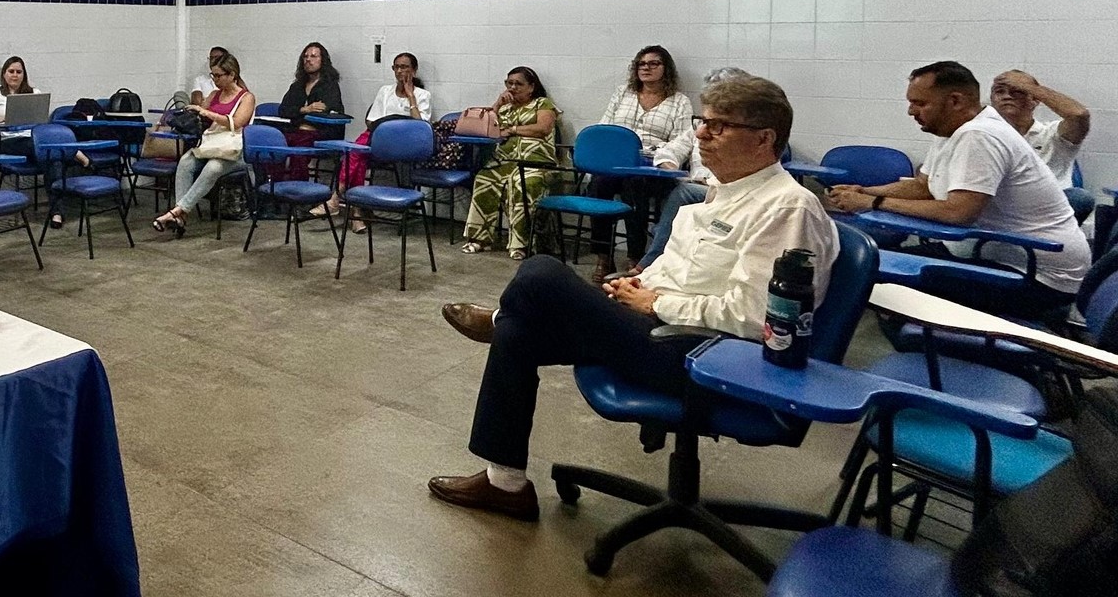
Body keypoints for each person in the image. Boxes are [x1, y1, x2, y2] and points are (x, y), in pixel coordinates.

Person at [428, 75, 839, 521]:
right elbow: (687, 272)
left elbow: (756, 318)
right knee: (519, 332)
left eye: (719, 126)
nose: (701, 134)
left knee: (540, 273)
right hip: (664, 332)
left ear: (764, 139)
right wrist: (634, 286)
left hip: (713, 358)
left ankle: (497, 320)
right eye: (702, 122)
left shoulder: (786, 207)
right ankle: (504, 484)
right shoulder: (723, 193)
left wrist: (655, 304)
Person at [826, 61, 1089, 318]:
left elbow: (958, 213)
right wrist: (865, 191)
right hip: (996, 254)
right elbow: (923, 186)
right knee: (869, 263)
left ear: (955, 101)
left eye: (920, 103)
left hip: (1037, 276)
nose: (911, 111)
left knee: (875, 280)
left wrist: (873, 203)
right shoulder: (952, 131)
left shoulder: (980, 135)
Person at [587, 46, 695, 282]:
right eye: (641, 64)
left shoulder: (679, 102)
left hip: (653, 167)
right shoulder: (622, 93)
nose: (646, 68)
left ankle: (635, 258)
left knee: (634, 185)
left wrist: (657, 155)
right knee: (598, 183)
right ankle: (603, 257)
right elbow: (605, 126)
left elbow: (683, 140)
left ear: (666, 69)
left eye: (653, 63)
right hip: (618, 161)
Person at [636, 67, 753, 269]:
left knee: (685, 192)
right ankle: (661, 255)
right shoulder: (699, 128)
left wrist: (707, 183)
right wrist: (673, 169)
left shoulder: (745, 133)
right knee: (650, 185)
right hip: (695, 187)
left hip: (730, 193)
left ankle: (648, 263)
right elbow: (669, 151)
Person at [319, 52, 431, 225]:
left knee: (359, 152)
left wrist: (411, 97)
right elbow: (372, 120)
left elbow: (420, 127)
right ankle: (356, 210)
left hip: (403, 144)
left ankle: (337, 199)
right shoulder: (385, 91)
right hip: (379, 139)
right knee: (356, 153)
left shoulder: (423, 95)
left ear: (414, 71)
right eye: (396, 67)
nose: (399, 71)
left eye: (404, 67)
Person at [152, 53, 255, 237]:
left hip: (233, 151)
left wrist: (207, 113)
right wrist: (189, 116)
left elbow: (237, 122)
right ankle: (180, 217)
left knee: (213, 168)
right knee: (185, 162)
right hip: (212, 145)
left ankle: (177, 211)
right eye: (212, 75)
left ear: (232, 75)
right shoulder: (214, 95)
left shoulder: (246, 97)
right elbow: (201, 116)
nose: (214, 80)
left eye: (218, 75)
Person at [0, 56, 87, 228]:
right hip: (8, 142)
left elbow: (42, 120)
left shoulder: (34, 93)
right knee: (50, 151)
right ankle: (72, 152)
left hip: (33, 140)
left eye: (19, 72)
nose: (15, 75)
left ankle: (56, 213)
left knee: (54, 160)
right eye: (11, 71)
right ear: (4, 74)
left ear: (24, 74)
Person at [462, 67, 558, 260]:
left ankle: (521, 244)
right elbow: (487, 126)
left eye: (518, 84)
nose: (512, 87)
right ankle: (479, 239)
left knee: (521, 184)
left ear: (531, 87)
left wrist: (513, 130)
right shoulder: (505, 108)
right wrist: (498, 104)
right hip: (505, 161)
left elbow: (543, 128)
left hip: (536, 162)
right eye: (509, 83)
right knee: (484, 179)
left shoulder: (542, 103)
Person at [990, 69, 1093, 221]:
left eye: (1017, 91)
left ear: (1035, 100)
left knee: (1080, 198)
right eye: (1000, 91)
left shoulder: (1052, 134)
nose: (1007, 96)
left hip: (1048, 210)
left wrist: (1030, 87)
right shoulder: (984, 136)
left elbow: (1078, 114)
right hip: (1002, 209)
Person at [275, 42, 344, 181]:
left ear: (322, 60)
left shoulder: (330, 86)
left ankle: (298, 188)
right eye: (305, 56)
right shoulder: (297, 86)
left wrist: (298, 114)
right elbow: (283, 110)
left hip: (321, 134)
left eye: (313, 56)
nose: (308, 60)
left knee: (299, 148)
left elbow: (325, 111)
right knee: (274, 142)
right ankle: (273, 185)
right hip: (296, 131)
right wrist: (304, 109)